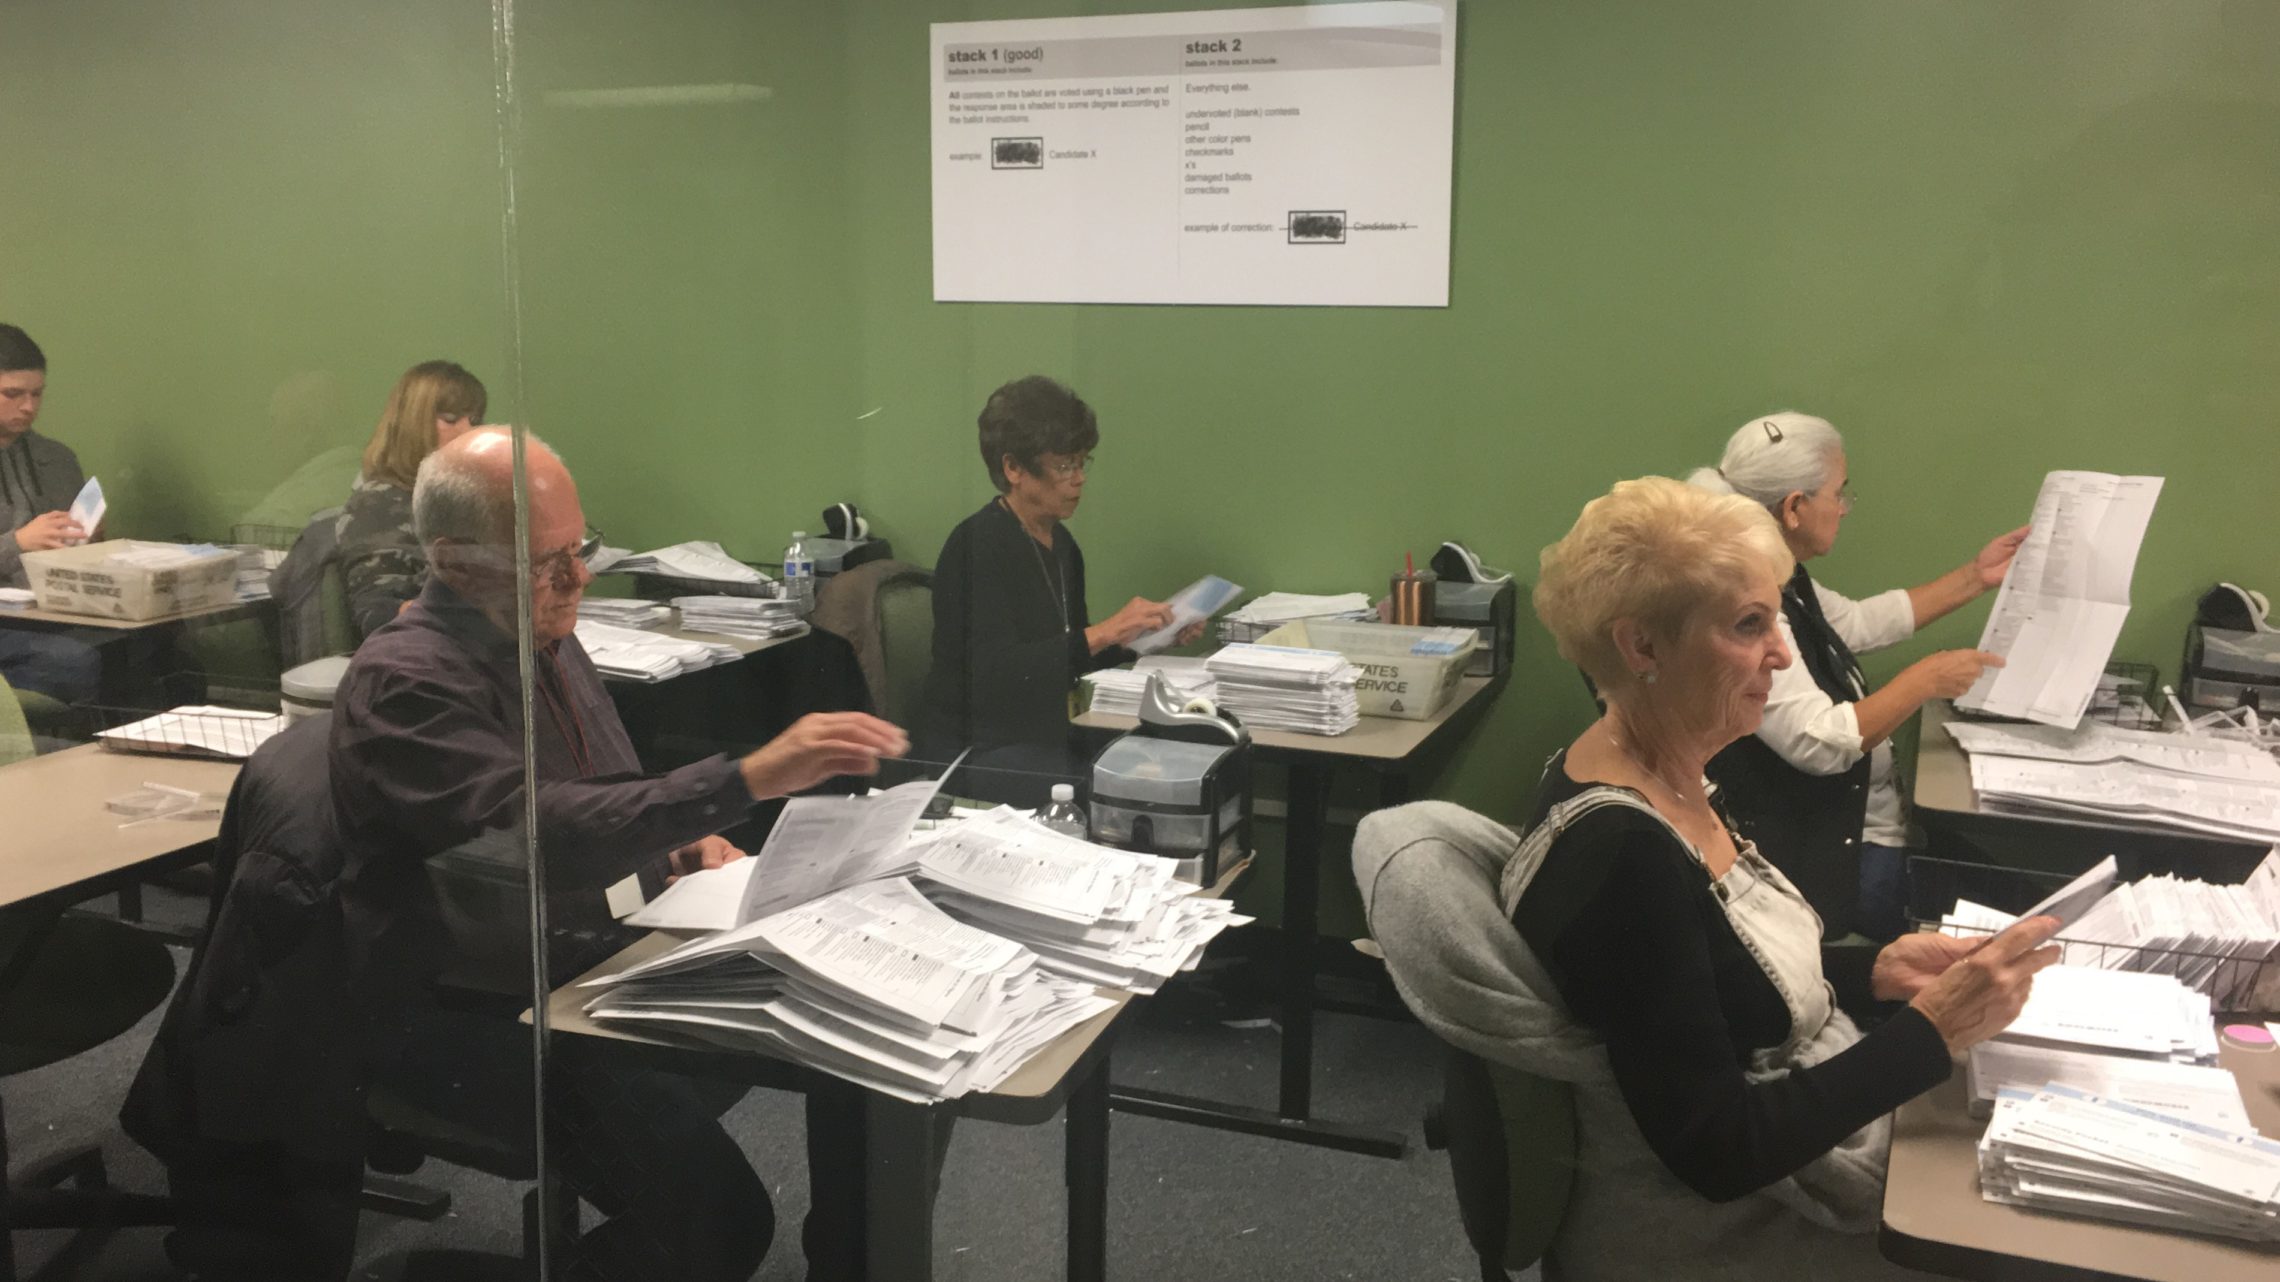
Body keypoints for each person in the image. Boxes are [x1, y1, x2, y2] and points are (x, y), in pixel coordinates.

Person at [1359, 476, 2060, 1281]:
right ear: (1642, 648)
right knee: (2020, 1249)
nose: (1783, 655)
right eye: (1749, 626)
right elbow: (1720, 1149)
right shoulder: (1624, 854)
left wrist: (1872, 969)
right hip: (1701, 1232)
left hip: (1762, 1172)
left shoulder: (1659, 772)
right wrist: (1929, 1034)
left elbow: (1698, 984)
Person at [331, 427, 909, 1281]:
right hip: (478, 1011)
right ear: (452, 560)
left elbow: (602, 793)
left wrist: (676, 841)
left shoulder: (544, 634)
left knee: (857, 1054)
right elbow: (536, 834)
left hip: (592, 960)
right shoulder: (407, 682)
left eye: (581, 549)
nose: (579, 579)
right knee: (720, 1226)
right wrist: (746, 778)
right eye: (546, 561)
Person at [1690, 412, 2025, 941]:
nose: (1844, 507)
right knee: (2023, 917)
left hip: (1874, 829)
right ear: (1794, 508)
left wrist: (1975, 577)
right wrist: (1925, 680)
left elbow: (1854, 623)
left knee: (2018, 896)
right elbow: (1818, 743)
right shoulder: (1745, 605)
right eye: (1838, 493)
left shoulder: (1777, 573)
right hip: (1837, 860)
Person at [920, 375, 1197, 786]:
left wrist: (1141, 639)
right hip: (980, 748)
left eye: (1082, 462)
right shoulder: (976, 545)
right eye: (1064, 466)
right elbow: (995, 676)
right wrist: (1104, 632)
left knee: (1172, 760)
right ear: (1013, 467)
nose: (1079, 478)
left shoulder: (1062, 545)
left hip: (1044, 733)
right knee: (1117, 781)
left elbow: (1068, 659)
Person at [334, 359, 487, 642]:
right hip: (426, 654)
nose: (469, 430)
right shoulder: (379, 505)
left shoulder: (459, 501)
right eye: (451, 418)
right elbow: (377, 614)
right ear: (414, 425)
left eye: (475, 420)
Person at [0, 323, 101, 705]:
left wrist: (91, 539)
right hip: (11, 624)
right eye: (13, 394)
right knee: (70, 661)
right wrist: (18, 543)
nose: (29, 406)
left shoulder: (57, 459)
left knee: (155, 652)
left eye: (37, 393)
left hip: (54, 609)